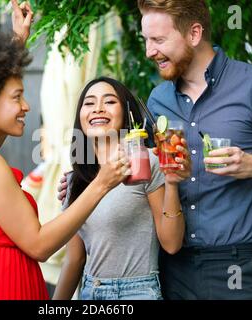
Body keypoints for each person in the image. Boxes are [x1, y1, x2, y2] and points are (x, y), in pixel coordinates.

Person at [0, 1, 131, 300]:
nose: (26, 106)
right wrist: (102, 183)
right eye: (17, 97)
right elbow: (39, 245)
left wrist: (16, 43)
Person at [137, 0, 252, 299]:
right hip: (171, 269)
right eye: (146, 40)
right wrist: (86, 180)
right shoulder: (158, 100)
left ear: (194, 33)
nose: (150, 51)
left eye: (159, 40)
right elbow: (152, 179)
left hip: (238, 267)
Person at [53, 77, 190, 300]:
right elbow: (74, 260)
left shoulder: (145, 163)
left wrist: (172, 184)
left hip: (138, 292)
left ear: (126, 113)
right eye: (89, 103)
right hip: (89, 292)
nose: (97, 109)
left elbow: (172, 244)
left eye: (109, 102)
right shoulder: (74, 181)